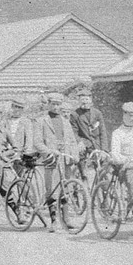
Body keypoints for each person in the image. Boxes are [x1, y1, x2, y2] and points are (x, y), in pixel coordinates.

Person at [34, 92, 80, 231]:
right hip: (51, 158)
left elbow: (72, 140)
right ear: (48, 104)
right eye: (53, 104)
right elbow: (37, 142)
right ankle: (54, 220)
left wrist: (75, 155)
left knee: (66, 188)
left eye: (58, 104)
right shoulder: (41, 120)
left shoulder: (65, 121)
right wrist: (49, 151)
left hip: (64, 159)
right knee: (51, 189)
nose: (55, 107)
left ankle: (66, 219)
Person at [69, 87, 109, 182]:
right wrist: (79, 142)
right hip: (84, 142)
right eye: (82, 99)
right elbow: (73, 131)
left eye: (86, 99)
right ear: (79, 100)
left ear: (90, 100)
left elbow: (103, 131)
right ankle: (83, 178)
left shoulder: (97, 113)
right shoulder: (75, 114)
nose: (84, 102)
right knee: (81, 157)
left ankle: (102, 185)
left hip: (96, 143)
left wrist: (104, 149)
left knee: (103, 164)